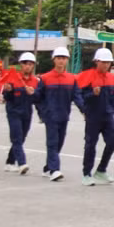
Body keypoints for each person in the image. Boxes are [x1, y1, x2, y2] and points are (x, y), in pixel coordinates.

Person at [78, 48, 114, 186]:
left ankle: (101, 170)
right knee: (90, 145)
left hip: (108, 116)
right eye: (103, 62)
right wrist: (92, 94)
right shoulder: (87, 76)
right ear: (96, 61)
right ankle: (86, 173)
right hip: (93, 116)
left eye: (108, 62)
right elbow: (81, 96)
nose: (106, 65)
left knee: (113, 141)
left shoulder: (111, 78)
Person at [36, 47, 76, 181]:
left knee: (59, 143)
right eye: (58, 58)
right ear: (54, 60)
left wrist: (84, 110)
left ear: (67, 61)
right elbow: (38, 97)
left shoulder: (71, 79)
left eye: (63, 58)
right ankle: (55, 170)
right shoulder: (45, 78)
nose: (61, 61)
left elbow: (77, 96)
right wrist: (42, 111)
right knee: (52, 142)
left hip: (64, 115)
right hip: (50, 116)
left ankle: (48, 167)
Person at [2, 52, 40, 175]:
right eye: (25, 64)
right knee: (17, 137)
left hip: (27, 112)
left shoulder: (35, 81)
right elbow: (6, 98)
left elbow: (38, 99)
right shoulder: (12, 79)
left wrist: (33, 93)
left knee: (21, 138)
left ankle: (9, 162)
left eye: (30, 64)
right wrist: (9, 91)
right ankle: (22, 163)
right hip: (13, 112)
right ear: (20, 65)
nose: (28, 67)